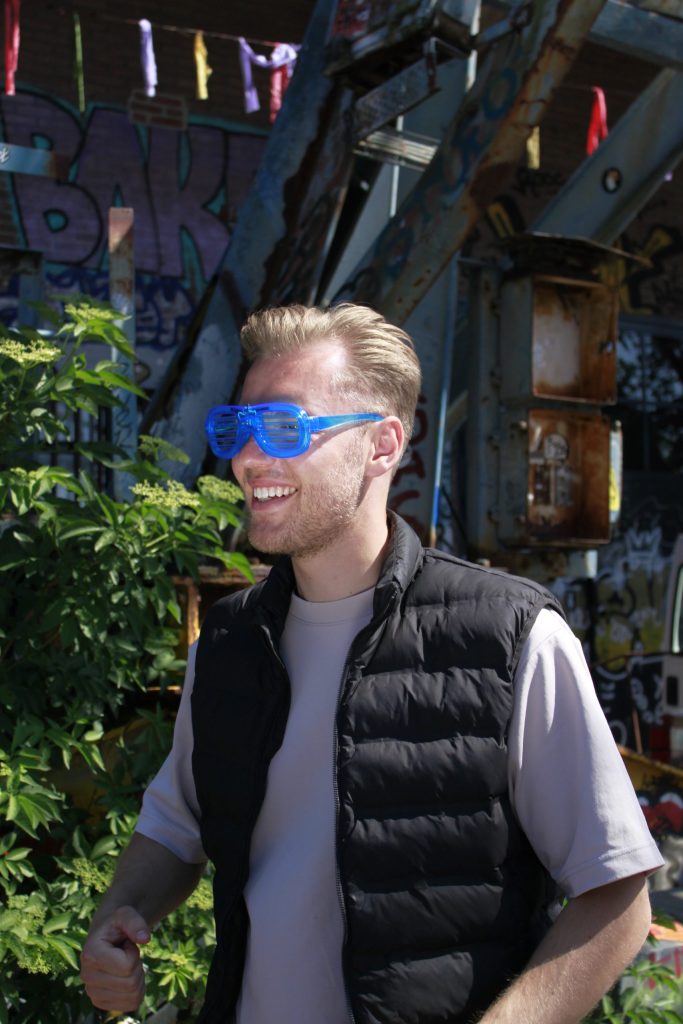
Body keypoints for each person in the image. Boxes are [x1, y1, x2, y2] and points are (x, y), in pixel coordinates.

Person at [81, 303, 663, 1024]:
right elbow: (175, 828)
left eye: (285, 427)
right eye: (237, 428)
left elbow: (617, 898)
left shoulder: (509, 637)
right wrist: (119, 916)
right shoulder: (227, 644)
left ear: (382, 445)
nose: (248, 458)